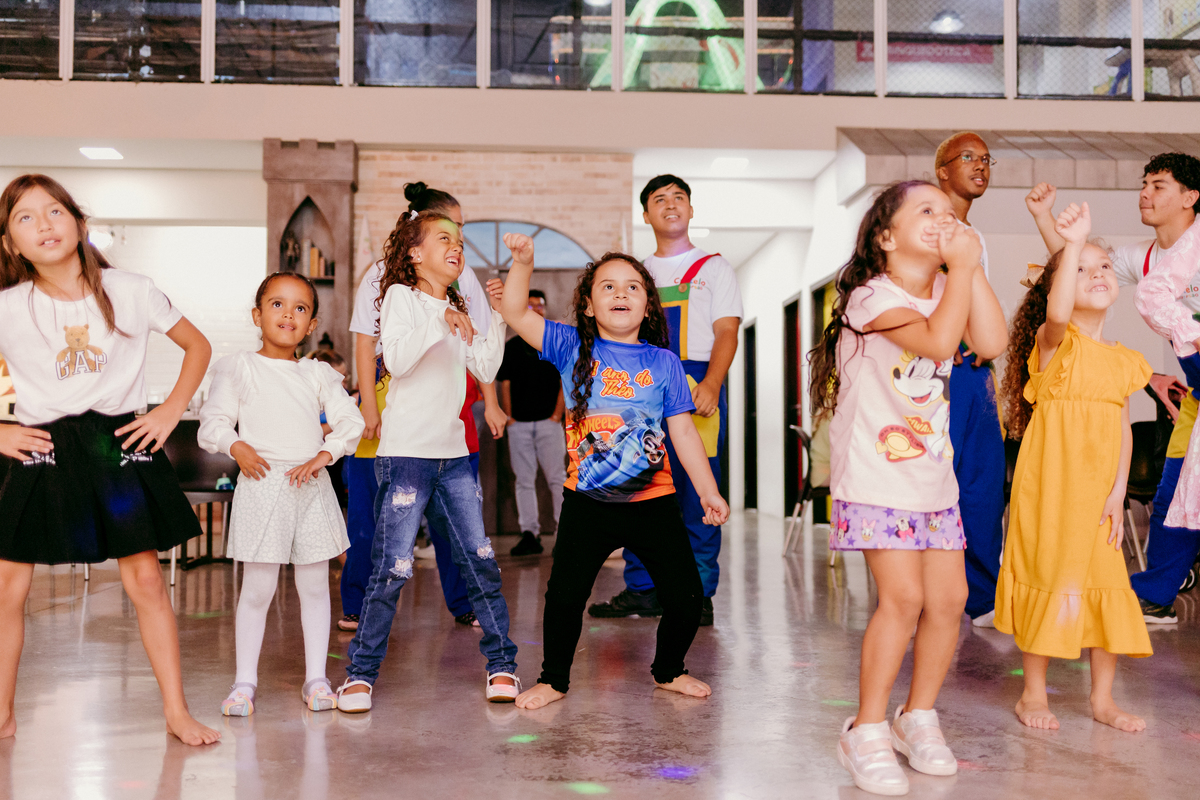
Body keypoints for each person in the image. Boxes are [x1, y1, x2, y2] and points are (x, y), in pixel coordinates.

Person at [0, 174, 220, 745]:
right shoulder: (8, 306)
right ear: (10, 242)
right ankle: (1, 714)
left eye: (54, 211)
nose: (44, 225)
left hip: (115, 441)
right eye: (25, 217)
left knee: (146, 579)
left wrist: (170, 411)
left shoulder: (131, 289)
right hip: (42, 445)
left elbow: (198, 346)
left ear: (78, 222)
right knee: (6, 589)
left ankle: (176, 711)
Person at [809, 181, 1006, 796]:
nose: (943, 219)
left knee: (949, 601)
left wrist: (969, 266)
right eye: (927, 210)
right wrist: (961, 269)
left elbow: (991, 344)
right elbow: (939, 343)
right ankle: (865, 729)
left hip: (932, 477)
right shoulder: (872, 296)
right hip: (875, 475)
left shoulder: (950, 286)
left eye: (948, 213)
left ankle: (916, 716)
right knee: (903, 599)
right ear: (886, 237)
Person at [494, 233, 728, 711]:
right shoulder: (569, 346)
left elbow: (684, 433)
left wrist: (708, 491)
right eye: (608, 286)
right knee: (564, 597)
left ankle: (670, 669)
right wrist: (523, 263)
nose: (621, 294)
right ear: (587, 305)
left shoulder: (664, 362)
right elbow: (515, 312)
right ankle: (554, 679)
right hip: (587, 503)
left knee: (686, 597)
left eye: (632, 287)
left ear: (648, 306)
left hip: (654, 502)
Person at [337, 211, 518, 712]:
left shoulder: (459, 307)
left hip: (454, 457)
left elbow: (485, 365)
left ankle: (502, 665)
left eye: (459, 241)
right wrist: (440, 319)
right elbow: (396, 360)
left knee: (480, 560)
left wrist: (499, 317)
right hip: (406, 458)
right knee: (392, 567)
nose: (456, 247)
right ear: (415, 254)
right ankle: (360, 674)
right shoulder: (402, 297)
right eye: (444, 239)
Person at [998, 202, 1152, 733]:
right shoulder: (1055, 343)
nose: (1097, 274)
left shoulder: (1124, 360)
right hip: (1052, 491)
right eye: (1081, 269)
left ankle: (1102, 700)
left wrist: (1118, 491)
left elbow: (1123, 430)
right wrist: (1071, 243)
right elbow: (1060, 311)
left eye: (1104, 266)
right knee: (1052, 578)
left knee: (1106, 584)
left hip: (1099, 496)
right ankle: (1032, 695)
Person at [1026, 152, 1200, 623]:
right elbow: (1077, 266)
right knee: (1173, 492)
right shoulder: (1142, 257)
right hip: (1196, 390)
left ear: (1190, 197)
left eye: (1159, 186)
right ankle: (1158, 592)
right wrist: (1044, 218)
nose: (1145, 193)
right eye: (1144, 183)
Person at [199, 272, 365, 716]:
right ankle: (244, 683)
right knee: (258, 588)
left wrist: (326, 454)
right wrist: (236, 446)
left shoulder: (318, 373)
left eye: (300, 308)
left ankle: (316, 679)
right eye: (277, 304)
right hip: (261, 483)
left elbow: (351, 421)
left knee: (315, 587)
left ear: (311, 325)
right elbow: (213, 422)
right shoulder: (238, 367)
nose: (288, 314)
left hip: (310, 486)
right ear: (257, 315)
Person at [589, 174, 742, 627]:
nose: (671, 204)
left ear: (691, 209)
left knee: (697, 495)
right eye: (660, 199)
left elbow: (727, 331)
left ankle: (699, 594)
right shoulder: (635, 274)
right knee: (640, 490)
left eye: (679, 197)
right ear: (646, 214)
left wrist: (712, 383)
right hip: (640, 387)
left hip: (697, 385)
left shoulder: (715, 268)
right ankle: (643, 590)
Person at [933, 132, 1006, 628]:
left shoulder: (974, 236)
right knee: (932, 483)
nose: (980, 166)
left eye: (985, 159)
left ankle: (982, 597)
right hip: (936, 372)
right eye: (967, 158)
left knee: (982, 487)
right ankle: (922, 595)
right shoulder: (926, 225)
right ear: (942, 170)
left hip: (977, 373)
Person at [497, 288, 566, 556]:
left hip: (550, 423)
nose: (536, 309)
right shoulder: (512, 346)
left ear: (545, 309)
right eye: (531, 305)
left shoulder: (555, 343)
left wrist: (557, 415)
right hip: (519, 425)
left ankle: (564, 533)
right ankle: (529, 534)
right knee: (523, 480)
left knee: (557, 479)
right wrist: (509, 418)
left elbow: (565, 380)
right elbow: (504, 383)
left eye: (540, 305)